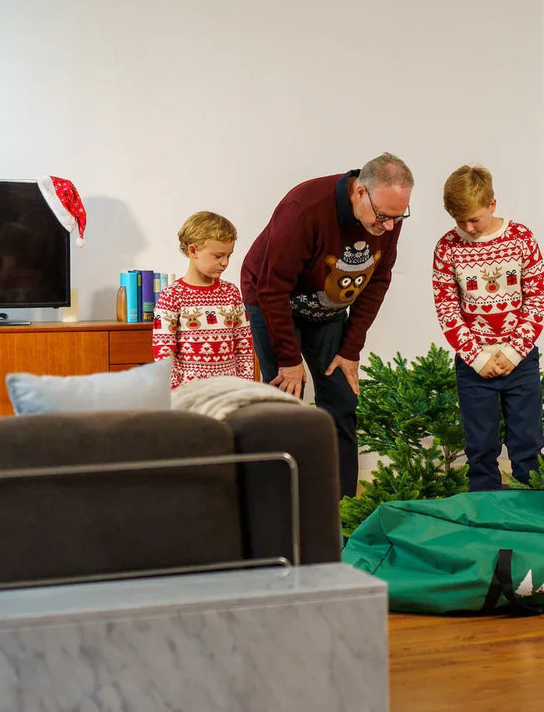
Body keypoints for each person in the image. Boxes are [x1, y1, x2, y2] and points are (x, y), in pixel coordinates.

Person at [240, 152, 413, 498]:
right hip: (273, 300)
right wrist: (289, 359)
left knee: (342, 400)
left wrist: (351, 350)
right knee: (284, 401)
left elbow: (378, 280)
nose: (390, 226)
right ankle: (276, 502)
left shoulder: (386, 216)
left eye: (399, 216)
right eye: (384, 217)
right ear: (360, 192)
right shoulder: (304, 209)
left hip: (328, 308)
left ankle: (342, 506)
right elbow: (272, 288)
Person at [433, 164, 544, 491]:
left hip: (521, 362)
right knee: (480, 449)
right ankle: (485, 518)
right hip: (473, 367)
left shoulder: (521, 238)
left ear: (492, 205)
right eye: (459, 221)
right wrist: (478, 358)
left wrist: (513, 353)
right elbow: (447, 310)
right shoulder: (447, 249)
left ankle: (535, 513)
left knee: (527, 444)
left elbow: (537, 299)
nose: (467, 228)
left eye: (475, 219)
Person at [153, 211, 255, 388]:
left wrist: (244, 389)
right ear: (193, 251)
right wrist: (176, 393)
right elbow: (164, 353)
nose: (225, 262)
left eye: (228, 255)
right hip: (189, 395)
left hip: (228, 393)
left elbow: (243, 348)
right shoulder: (171, 295)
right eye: (218, 256)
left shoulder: (231, 293)